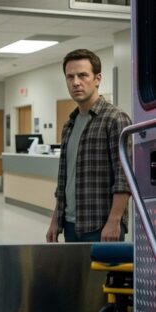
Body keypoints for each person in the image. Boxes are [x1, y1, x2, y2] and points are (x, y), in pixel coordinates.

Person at [46, 48, 132, 243]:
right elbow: (64, 179)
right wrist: (55, 219)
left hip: (101, 226)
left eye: (83, 75)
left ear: (97, 79)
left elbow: (124, 177)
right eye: (70, 77)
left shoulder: (115, 119)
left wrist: (114, 221)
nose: (76, 82)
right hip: (70, 225)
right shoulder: (69, 124)